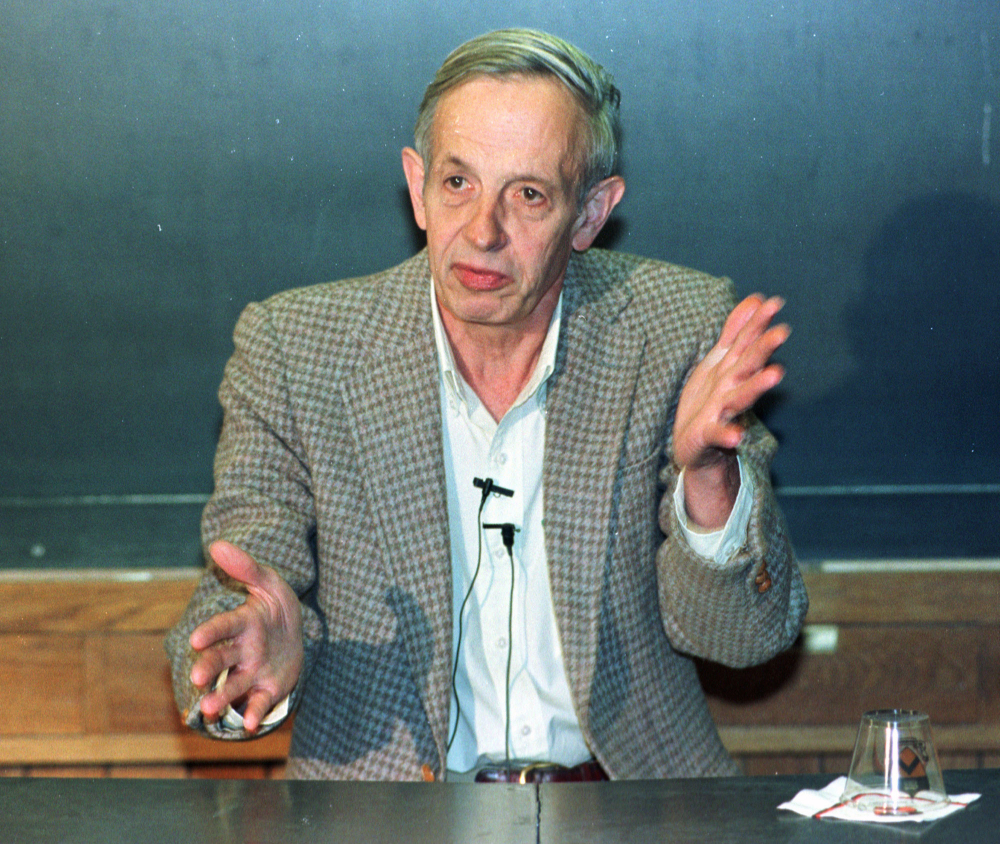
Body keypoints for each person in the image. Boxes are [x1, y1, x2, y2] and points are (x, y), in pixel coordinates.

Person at [166, 27, 807, 781]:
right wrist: (249, 654)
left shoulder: (679, 329)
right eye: (458, 183)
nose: (483, 233)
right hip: (386, 820)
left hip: (629, 808)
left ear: (591, 215)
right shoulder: (295, 350)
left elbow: (747, 639)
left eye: (528, 195)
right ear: (417, 186)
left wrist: (707, 478)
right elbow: (227, 611)